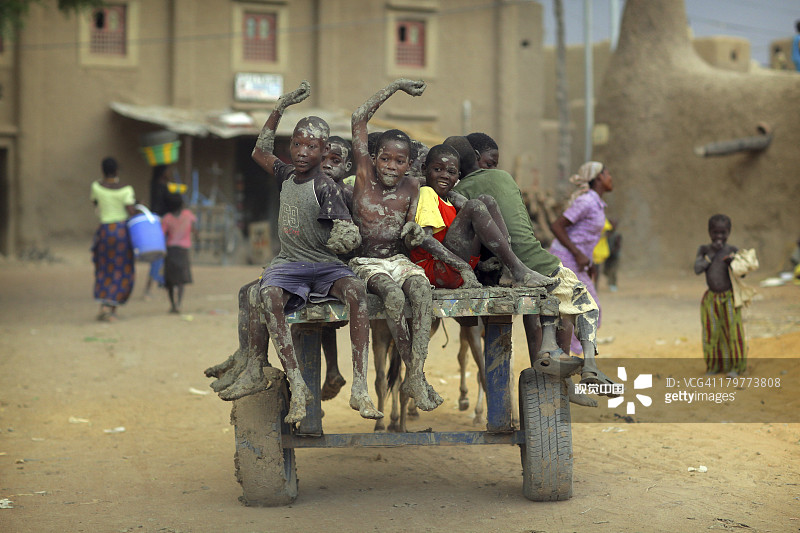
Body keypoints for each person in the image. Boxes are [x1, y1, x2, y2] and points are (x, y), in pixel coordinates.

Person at [221, 81, 382, 424]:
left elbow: (345, 230)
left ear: (324, 153)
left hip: (324, 266)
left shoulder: (325, 185)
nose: (302, 151)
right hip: (290, 264)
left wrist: (346, 234)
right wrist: (279, 107)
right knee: (268, 295)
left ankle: (360, 387)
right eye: (297, 143)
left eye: (311, 146)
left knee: (356, 293)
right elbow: (258, 152)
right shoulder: (285, 173)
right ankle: (296, 381)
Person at [445, 136, 616, 400]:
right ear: (477, 156)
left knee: (551, 305)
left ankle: (556, 366)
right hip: (538, 261)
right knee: (581, 303)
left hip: (500, 266)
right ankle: (579, 370)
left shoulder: (459, 192)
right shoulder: (503, 178)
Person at [350, 79, 443, 412]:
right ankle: (415, 375)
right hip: (367, 264)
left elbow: (410, 232)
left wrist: (413, 233)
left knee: (421, 291)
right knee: (391, 295)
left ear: (409, 164)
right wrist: (397, 87)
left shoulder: (413, 187)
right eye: (386, 159)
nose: (391, 166)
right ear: (373, 158)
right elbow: (359, 118)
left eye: (399, 162)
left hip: (399, 260)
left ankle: (415, 375)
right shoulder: (363, 177)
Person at [410, 144, 554, 290]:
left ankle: (509, 268)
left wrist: (480, 265)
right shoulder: (427, 193)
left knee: (487, 200)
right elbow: (425, 239)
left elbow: (459, 241)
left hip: (455, 268)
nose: (445, 175)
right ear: (424, 170)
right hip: (436, 271)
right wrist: (462, 266)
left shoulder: (448, 199)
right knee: (474, 206)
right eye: (437, 169)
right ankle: (518, 270)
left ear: (458, 176)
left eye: (451, 172)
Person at [549, 162, 614, 355]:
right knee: (589, 309)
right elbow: (557, 226)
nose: (611, 177)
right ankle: (570, 356)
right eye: (608, 173)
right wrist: (578, 254)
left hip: (577, 262)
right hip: (566, 259)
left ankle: (570, 355)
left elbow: (583, 236)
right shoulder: (586, 201)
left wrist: (588, 262)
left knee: (582, 311)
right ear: (599, 177)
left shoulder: (596, 203)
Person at [694, 214, 747, 376]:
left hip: (730, 298)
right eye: (715, 232)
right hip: (711, 298)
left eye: (723, 233)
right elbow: (697, 269)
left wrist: (733, 264)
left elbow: (742, 274)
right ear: (709, 232)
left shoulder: (732, 250)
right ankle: (714, 366)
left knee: (733, 331)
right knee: (711, 332)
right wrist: (710, 257)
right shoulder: (704, 250)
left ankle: (736, 367)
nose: (719, 237)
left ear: (728, 232)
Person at [90, 157, 138, 322]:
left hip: (104, 232)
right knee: (122, 269)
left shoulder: (96, 187)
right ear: (117, 171)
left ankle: (103, 307)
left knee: (104, 268)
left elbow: (95, 204)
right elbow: (131, 211)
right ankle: (111, 308)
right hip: (121, 233)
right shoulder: (126, 190)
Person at [161, 192, 197, 314]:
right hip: (183, 251)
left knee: (170, 280)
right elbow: (194, 228)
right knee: (181, 280)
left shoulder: (167, 218)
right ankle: (179, 303)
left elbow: (163, 234)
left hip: (170, 251)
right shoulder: (188, 215)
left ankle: (172, 304)